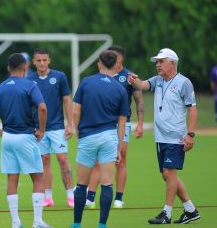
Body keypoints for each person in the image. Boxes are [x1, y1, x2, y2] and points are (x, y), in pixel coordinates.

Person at [128, 48, 201, 224]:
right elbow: (144, 85)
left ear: (172, 63)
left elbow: (192, 108)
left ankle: (166, 214)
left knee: (169, 173)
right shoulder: (158, 80)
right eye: (157, 62)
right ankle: (190, 210)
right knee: (167, 175)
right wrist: (133, 79)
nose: (158, 64)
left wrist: (190, 134)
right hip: (160, 137)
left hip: (176, 137)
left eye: (161, 61)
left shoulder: (184, 83)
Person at [0, 53, 50, 228]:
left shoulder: (0, 87)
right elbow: (42, 107)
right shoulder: (30, 85)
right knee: (38, 178)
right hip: (25, 136)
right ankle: (37, 222)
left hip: (8, 138)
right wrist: (41, 129)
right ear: (25, 67)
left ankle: (15, 222)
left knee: (12, 179)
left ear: (8, 68)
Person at [70, 50, 129, 228]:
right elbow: (122, 121)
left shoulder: (86, 82)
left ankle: (77, 224)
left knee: (81, 184)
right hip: (109, 137)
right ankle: (102, 224)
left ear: (99, 64)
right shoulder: (120, 88)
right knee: (107, 183)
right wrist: (118, 147)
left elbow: (75, 111)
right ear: (116, 65)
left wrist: (78, 133)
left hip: (88, 136)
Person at [85, 46, 145, 209]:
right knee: (98, 160)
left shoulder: (129, 77)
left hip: (122, 124)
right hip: (102, 124)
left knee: (121, 159)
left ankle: (118, 198)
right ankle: (90, 198)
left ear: (120, 59)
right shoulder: (99, 77)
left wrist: (140, 123)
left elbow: (139, 100)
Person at [27, 49, 74, 208]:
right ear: (34, 62)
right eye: (38, 60)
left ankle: (70, 196)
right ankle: (48, 197)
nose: (41, 63)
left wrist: (71, 123)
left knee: (62, 159)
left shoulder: (59, 77)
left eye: (44, 60)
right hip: (38, 129)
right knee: (44, 160)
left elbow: (67, 100)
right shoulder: (29, 79)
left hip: (57, 127)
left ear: (49, 61)